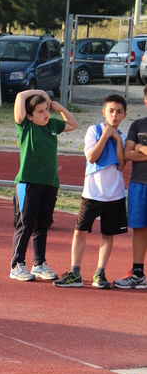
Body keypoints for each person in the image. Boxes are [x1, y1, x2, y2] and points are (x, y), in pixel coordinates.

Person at [54, 95, 127, 289]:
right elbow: (92, 157)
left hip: (115, 195)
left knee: (107, 234)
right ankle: (75, 273)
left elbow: (121, 165)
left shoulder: (123, 136)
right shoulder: (93, 131)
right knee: (80, 232)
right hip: (93, 194)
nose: (115, 115)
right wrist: (106, 135)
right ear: (104, 112)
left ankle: (100, 273)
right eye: (111, 111)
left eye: (119, 112)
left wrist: (118, 139)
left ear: (124, 115)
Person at [10, 89, 78, 281]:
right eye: (40, 111)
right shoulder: (25, 127)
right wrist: (40, 92)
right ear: (29, 116)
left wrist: (60, 108)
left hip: (50, 183)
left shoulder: (52, 126)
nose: (45, 114)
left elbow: (73, 124)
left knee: (43, 225)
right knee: (26, 224)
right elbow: (19, 97)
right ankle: (17, 265)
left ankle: (39, 264)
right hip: (29, 182)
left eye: (46, 109)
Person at [113, 85, 147, 288]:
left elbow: (133, 152)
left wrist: (139, 149)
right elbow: (127, 154)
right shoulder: (137, 125)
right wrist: (142, 147)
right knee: (139, 229)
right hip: (139, 185)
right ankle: (138, 273)